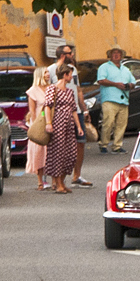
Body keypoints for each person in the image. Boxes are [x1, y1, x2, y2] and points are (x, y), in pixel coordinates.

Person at [46, 44, 92, 187]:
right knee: (59, 147)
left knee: (80, 142)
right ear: (62, 55)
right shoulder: (50, 70)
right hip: (58, 115)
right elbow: (46, 97)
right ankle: (56, 180)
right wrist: (46, 119)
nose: (72, 55)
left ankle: (76, 175)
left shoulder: (73, 70)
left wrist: (84, 109)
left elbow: (78, 90)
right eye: (69, 53)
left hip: (75, 110)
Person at [44, 64, 80, 194]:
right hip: (57, 123)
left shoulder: (69, 91)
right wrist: (49, 123)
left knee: (71, 154)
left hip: (69, 125)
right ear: (65, 75)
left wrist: (79, 126)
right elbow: (47, 106)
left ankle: (62, 181)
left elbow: (74, 110)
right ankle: (58, 183)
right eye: (70, 74)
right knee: (58, 154)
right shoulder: (52, 89)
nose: (71, 77)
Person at [95, 47, 135, 154]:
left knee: (121, 124)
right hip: (110, 99)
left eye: (118, 53)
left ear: (122, 56)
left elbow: (133, 82)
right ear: (110, 55)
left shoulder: (125, 69)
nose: (116, 55)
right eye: (114, 53)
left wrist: (129, 85)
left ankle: (117, 145)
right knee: (108, 123)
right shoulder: (104, 67)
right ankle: (103, 144)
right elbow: (101, 80)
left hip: (123, 100)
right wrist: (116, 84)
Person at [25, 68, 51, 189]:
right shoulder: (33, 91)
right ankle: (40, 180)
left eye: (48, 72)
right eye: (45, 72)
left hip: (51, 122)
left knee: (51, 151)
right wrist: (35, 126)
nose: (48, 74)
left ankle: (54, 180)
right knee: (39, 152)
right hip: (39, 123)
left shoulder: (51, 89)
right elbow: (32, 110)